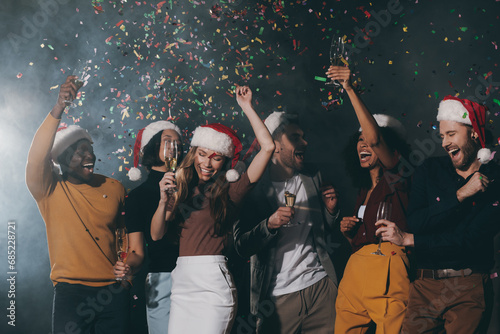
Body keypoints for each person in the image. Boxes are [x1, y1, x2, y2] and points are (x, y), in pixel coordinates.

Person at [150, 85, 275, 334]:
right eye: (203, 154)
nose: (207, 163)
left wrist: (247, 107)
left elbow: (268, 147)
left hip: (213, 283)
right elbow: (156, 235)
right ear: (194, 154)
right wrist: (163, 200)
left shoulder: (231, 189)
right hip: (181, 283)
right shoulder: (180, 188)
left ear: (225, 161)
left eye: (216, 157)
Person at [375, 96, 500, 333]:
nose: (444, 143)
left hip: (469, 285)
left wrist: (412, 240)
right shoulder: (430, 169)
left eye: (451, 134)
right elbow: (417, 221)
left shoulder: (496, 180)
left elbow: (470, 241)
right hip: (423, 286)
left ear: (474, 133)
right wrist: (461, 194)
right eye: (442, 136)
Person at [26, 75, 129, 333]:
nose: (89, 156)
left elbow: (123, 235)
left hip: (112, 293)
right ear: (59, 160)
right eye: (78, 152)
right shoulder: (48, 188)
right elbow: (37, 156)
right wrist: (59, 106)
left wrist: (128, 272)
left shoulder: (114, 187)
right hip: (70, 293)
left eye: (89, 149)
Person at [233, 110, 342, 334]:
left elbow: (322, 232)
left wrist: (331, 212)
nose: (304, 142)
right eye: (294, 137)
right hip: (276, 298)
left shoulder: (313, 176)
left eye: (303, 136)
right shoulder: (254, 189)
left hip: (321, 288)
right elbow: (241, 247)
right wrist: (269, 225)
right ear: (275, 144)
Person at [327, 65, 412, 333]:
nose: (364, 145)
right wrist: (348, 232)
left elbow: (376, 140)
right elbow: (361, 240)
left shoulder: (399, 176)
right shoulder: (364, 190)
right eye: (358, 140)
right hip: (355, 269)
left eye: (369, 140)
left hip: (387, 262)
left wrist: (350, 89)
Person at [116, 120, 184, 333]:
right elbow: (137, 250)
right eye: (167, 141)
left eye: (178, 143)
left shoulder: (190, 188)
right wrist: (128, 265)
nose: (174, 147)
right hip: (160, 278)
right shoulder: (137, 197)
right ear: (153, 146)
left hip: (193, 274)